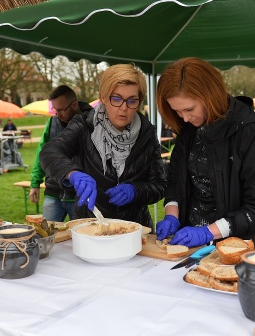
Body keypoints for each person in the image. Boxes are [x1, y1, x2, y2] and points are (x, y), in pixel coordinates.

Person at [155, 57, 255, 248]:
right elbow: (175, 181)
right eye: (178, 111)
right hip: (193, 244)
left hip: (240, 245)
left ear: (210, 95)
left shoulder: (247, 130)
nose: (185, 117)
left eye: (189, 109)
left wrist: (209, 232)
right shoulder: (188, 129)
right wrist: (171, 214)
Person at [40, 64, 166, 228]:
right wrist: (72, 173)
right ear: (104, 97)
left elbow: (159, 184)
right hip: (90, 224)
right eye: (116, 98)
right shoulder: (84, 125)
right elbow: (49, 152)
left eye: (132, 101)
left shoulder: (146, 133)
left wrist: (136, 190)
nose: (124, 108)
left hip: (134, 227)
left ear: (140, 101)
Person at [29, 86, 93, 222]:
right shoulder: (52, 122)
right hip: (53, 194)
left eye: (60, 110)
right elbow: (42, 153)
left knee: (80, 238)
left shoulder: (92, 122)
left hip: (79, 196)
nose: (57, 114)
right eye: (55, 110)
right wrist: (35, 183)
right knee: (47, 238)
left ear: (74, 104)